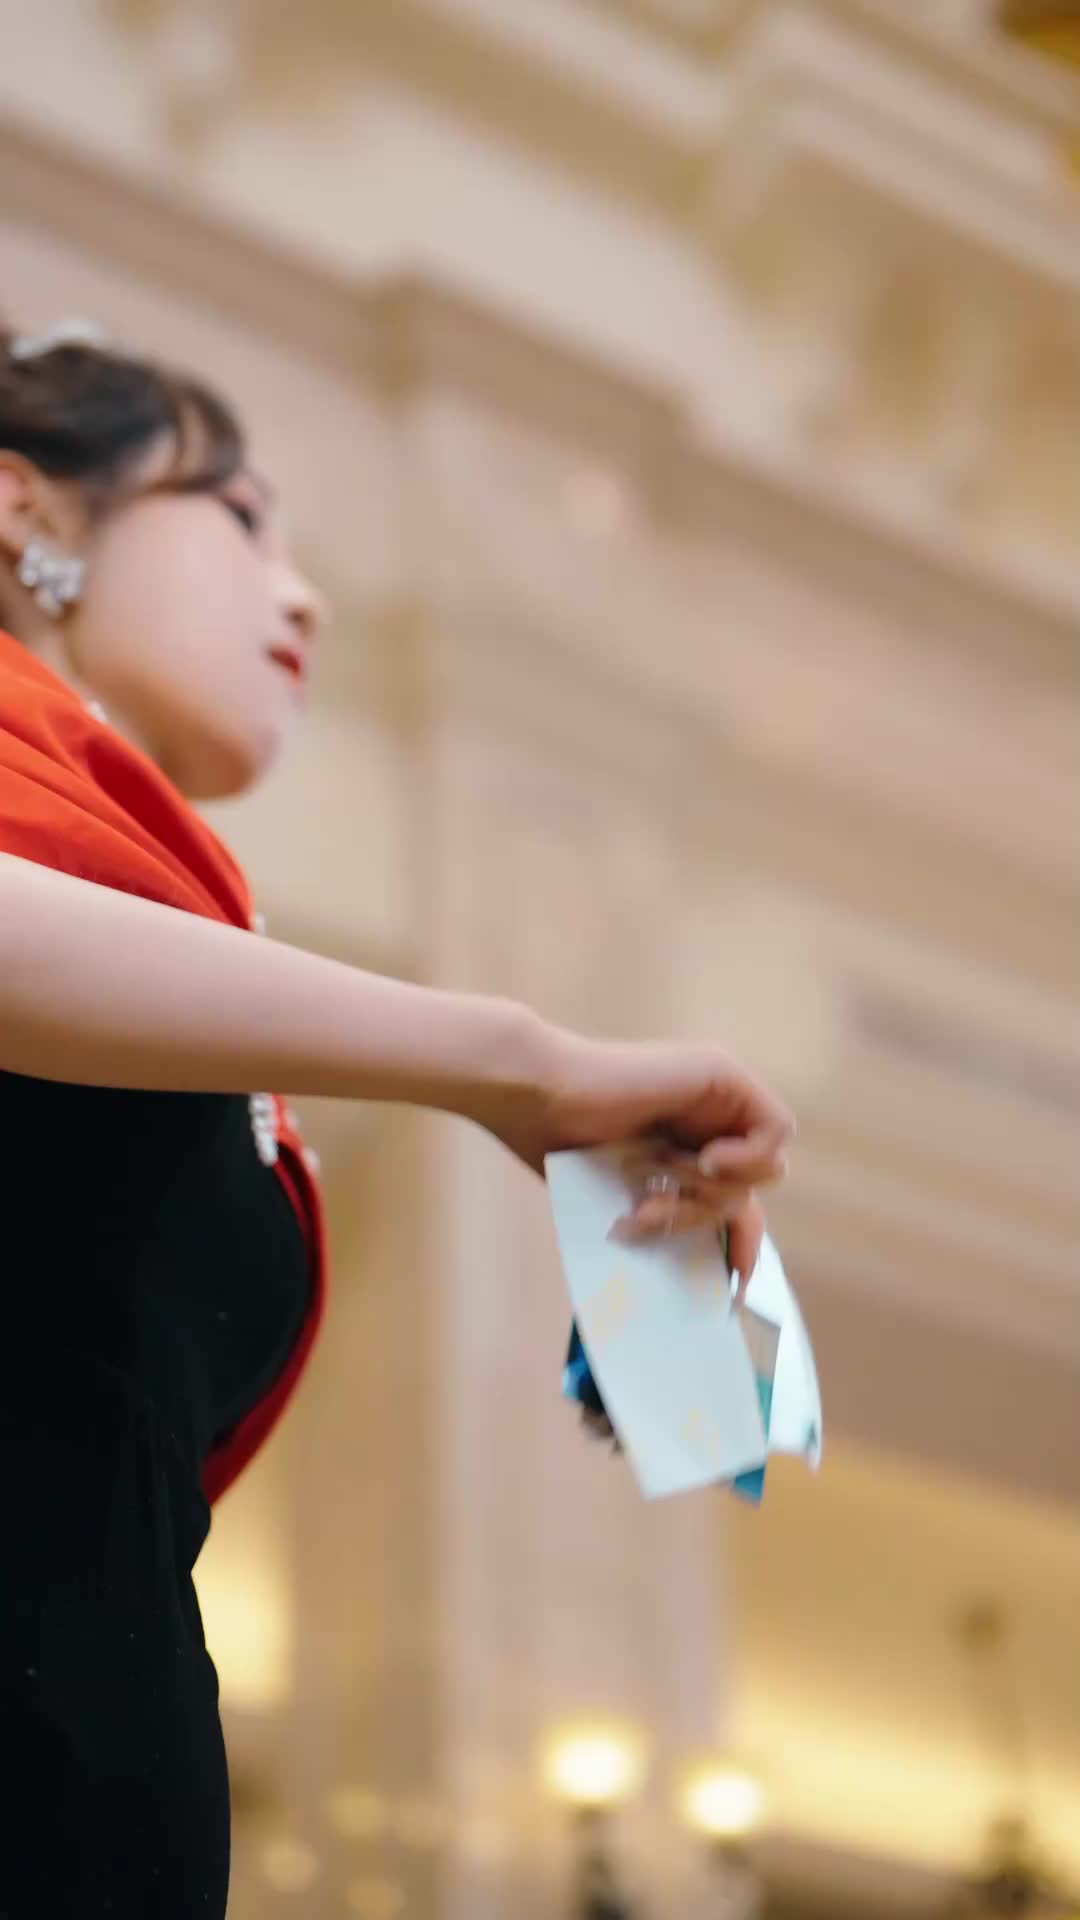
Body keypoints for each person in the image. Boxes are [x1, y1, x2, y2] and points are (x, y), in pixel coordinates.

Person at [0, 317, 794, 1919]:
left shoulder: (178, 920)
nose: (304, 594)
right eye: (241, 515)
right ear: (27, 512)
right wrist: (511, 1059)